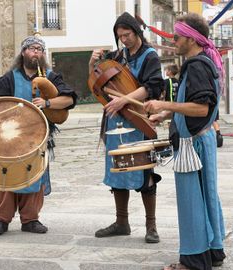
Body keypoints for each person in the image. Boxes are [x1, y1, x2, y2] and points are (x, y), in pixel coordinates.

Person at [143, 13, 226, 270]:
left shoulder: (196, 65)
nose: (174, 41)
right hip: (204, 142)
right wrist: (166, 114)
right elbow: (198, 105)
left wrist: (163, 103)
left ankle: (192, 260)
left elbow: (202, 109)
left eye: (177, 36)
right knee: (206, 196)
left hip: (194, 146)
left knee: (192, 201)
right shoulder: (205, 62)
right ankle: (213, 252)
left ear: (191, 38)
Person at [0, 35, 77, 235]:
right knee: (7, 176)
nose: (35, 52)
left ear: (43, 54)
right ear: (23, 53)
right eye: (31, 48)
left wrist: (47, 103)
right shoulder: (8, 78)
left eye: (39, 49)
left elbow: (69, 99)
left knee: (34, 175)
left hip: (40, 137)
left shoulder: (52, 77)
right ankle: (1, 220)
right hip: (10, 137)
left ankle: (30, 219)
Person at [88, 12, 164, 243]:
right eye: (120, 36)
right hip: (115, 118)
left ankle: (151, 227)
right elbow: (98, 76)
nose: (124, 40)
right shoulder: (118, 55)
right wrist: (93, 61)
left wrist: (124, 99)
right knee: (118, 169)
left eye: (127, 35)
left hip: (138, 118)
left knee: (144, 171)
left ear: (137, 32)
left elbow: (152, 86)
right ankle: (122, 222)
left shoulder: (150, 56)